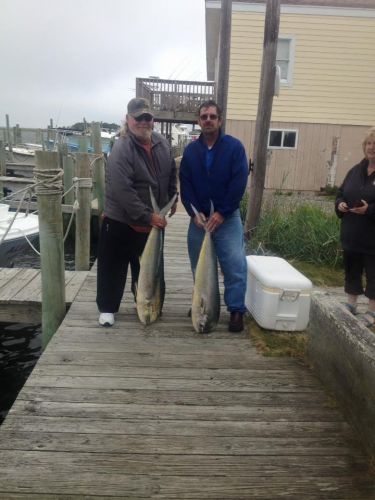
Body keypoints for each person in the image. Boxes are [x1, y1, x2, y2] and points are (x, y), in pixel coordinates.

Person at [96, 98, 177, 326]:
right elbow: (124, 192)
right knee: (113, 267)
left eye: (147, 118)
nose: (144, 122)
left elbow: (171, 173)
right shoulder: (121, 148)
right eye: (138, 118)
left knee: (148, 269)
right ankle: (107, 308)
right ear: (128, 120)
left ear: (153, 120)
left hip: (150, 222)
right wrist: (149, 216)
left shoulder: (162, 143)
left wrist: (173, 197)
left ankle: (145, 302)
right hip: (121, 220)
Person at [179, 100, 249, 332]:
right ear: (198, 121)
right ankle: (201, 304)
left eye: (212, 116)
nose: (208, 120)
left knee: (235, 266)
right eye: (204, 116)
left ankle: (236, 310)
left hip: (227, 219)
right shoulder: (191, 151)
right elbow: (185, 184)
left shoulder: (234, 148)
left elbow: (239, 182)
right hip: (199, 221)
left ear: (220, 120)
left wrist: (222, 211)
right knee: (198, 266)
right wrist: (192, 213)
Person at [335, 127, 375, 327]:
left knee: (373, 272)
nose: (372, 147)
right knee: (352, 269)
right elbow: (341, 193)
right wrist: (340, 204)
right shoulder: (355, 170)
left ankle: (372, 310)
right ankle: (351, 304)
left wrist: (369, 210)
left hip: (372, 238)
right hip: (352, 233)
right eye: (369, 143)